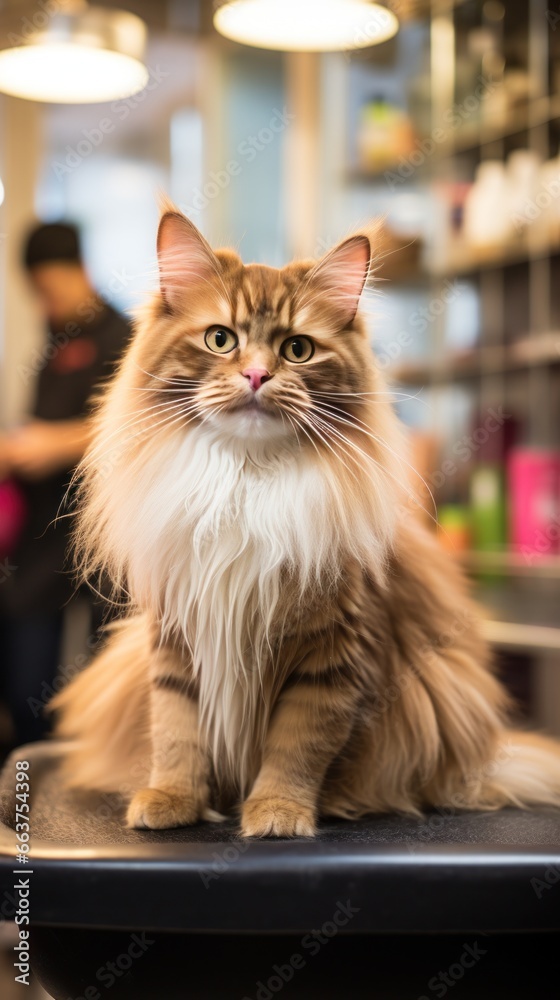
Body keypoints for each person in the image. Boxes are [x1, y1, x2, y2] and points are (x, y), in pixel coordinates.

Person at [0, 222, 131, 746]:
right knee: (26, 678)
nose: (44, 300)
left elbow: (137, 421)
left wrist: (54, 443)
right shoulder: (56, 339)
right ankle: (30, 784)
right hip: (41, 534)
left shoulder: (124, 335)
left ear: (77, 271)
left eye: (49, 288)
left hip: (104, 532)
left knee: (111, 676)